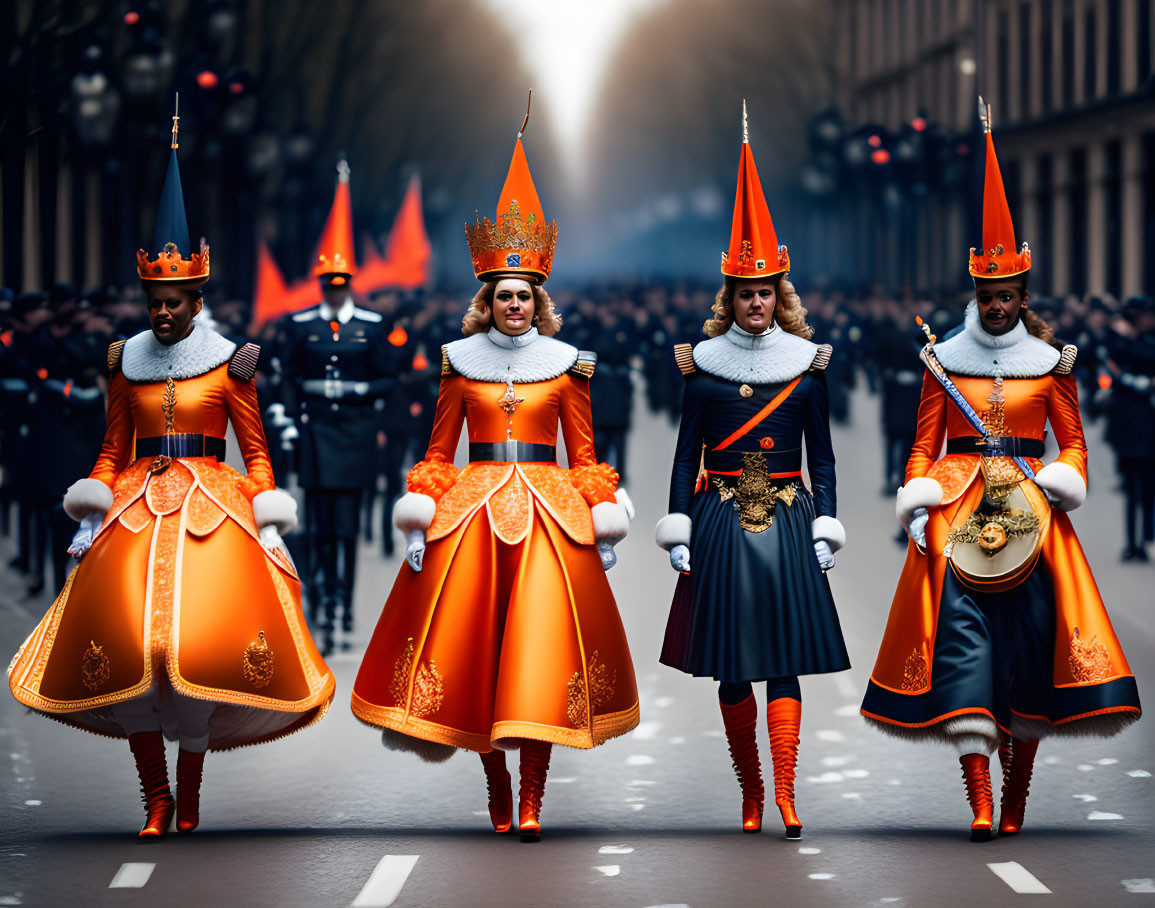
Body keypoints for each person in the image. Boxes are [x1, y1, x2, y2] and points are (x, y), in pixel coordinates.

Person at [7, 116, 335, 838]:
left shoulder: (231, 362)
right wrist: (92, 510)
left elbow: (256, 452)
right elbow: (110, 447)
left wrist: (268, 519)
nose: (161, 313)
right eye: (154, 303)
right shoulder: (122, 361)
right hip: (133, 510)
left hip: (213, 509)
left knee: (193, 653)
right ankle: (154, 799)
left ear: (195, 301)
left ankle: (187, 796)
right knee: (131, 653)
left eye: (173, 303)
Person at [351, 103, 638, 842]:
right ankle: (497, 787)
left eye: (524, 296)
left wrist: (599, 516)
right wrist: (420, 511)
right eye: (503, 295)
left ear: (539, 303)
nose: (514, 305)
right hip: (471, 515)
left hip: (547, 514)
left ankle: (536, 795)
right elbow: (437, 450)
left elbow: (585, 452)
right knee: (476, 652)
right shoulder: (457, 363)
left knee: (539, 653)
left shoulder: (569, 367)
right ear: (488, 301)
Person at [860, 105, 1141, 841]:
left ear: (1022, 296)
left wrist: (1057, 480)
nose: (995, 306)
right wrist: (916, 501)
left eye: (1007, 296)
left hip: (1031, 519)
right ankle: (980, 802)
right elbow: (921, 449)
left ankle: (1014, 801)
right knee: (962, 648)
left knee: (1026, 658)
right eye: (986, 297)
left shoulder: (1053, 367)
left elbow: (1074, 447)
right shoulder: (940, 362)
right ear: (976, 297)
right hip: (955, 514)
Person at [655, 104, 849, 839]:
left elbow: (823, 456)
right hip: (719, 518)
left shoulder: (808, 369)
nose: (757, 302)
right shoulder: (700, 373)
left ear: (779, 296)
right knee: (733, 664)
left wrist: (828, 520)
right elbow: (684, 456)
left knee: (785, 659)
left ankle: (789, 792)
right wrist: (677, 527)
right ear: (730, 299)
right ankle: (750, 792)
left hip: (792, 516)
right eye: (745, 293)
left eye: (766, 292)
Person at [275, 160, 394, 652]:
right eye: (329, 281)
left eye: (341, 281)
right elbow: (285, 376)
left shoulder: (373, 322)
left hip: (355, 433)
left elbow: (390, 376)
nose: (334, 288)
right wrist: (286, 419)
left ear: (351, 282)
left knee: (347, 528)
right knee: (320, 525)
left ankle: (344, 600)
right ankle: (321, 596)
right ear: (320, 282)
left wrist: (361, 393)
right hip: (316, 433)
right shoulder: (300, 323)